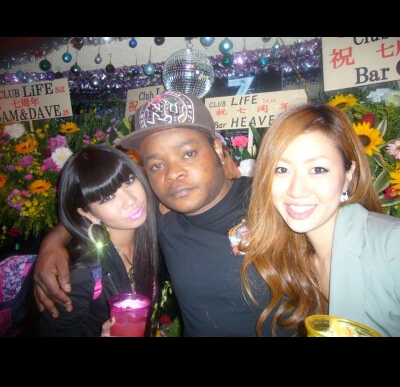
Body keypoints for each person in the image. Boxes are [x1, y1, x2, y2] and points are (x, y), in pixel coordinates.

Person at [33, 91, 294, 337]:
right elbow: (98, 210)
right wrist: (52, 245)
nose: (173, 173)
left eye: (188, 154)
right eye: (157, 165)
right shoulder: (160, 217)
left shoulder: (274, 201)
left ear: (217, 148)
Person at [241, 103, 400, 337]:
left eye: (317, 170)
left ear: (348, 174)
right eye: (281, 170)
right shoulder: (294, 261)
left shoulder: (391, 247)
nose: (297, 190)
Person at [39, 144, 159, 336]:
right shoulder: (82, 273)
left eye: (129, 181)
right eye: (108, 197)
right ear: (87, 213)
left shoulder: (157, 231)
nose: (130, 200)